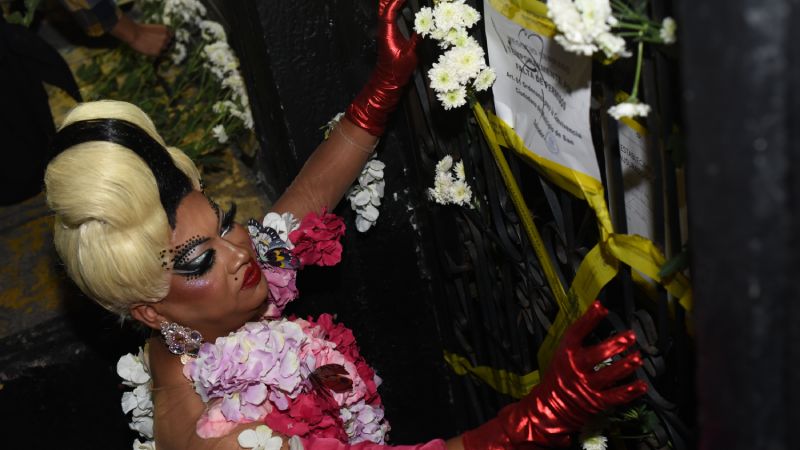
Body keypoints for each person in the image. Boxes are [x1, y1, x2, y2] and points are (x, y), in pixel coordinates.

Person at [43, 0, 647, 449]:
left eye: (226, 223)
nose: (236, 252)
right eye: (199, 259)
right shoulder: (219, 435)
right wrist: (538, 419)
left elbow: (304, 199)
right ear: (150, 309)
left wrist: (380, 91)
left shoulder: (194, 322)